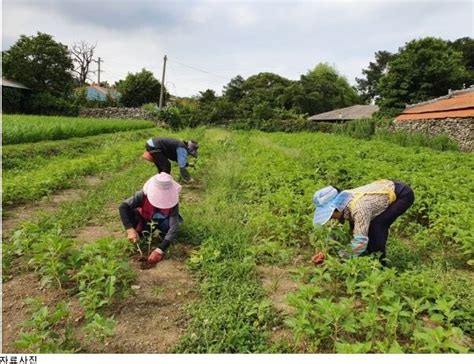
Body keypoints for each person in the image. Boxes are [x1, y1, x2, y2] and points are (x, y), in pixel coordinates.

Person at [312, 179, 414, 263]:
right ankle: (366, 254)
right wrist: (326, 252)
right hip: (383, 189)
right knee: (358, 227)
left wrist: (338, 259)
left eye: (330, 215)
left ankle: (379, 263)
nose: (330, 218)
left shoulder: (359, 209)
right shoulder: (344, 201)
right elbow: (335, 234)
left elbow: (360, 242)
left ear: (337, 208)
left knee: (377, 226)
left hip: (402, 194)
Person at [119, 172, 183, 264]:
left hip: (162, 221)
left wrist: (160, 249)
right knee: (131, 214)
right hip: (145, 219)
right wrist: (129, 229)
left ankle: (164, 237)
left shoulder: (173, 202)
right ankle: (139, 231)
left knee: (169, 228)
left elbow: (174, 227)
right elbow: (123, 207)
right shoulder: (142, 195)